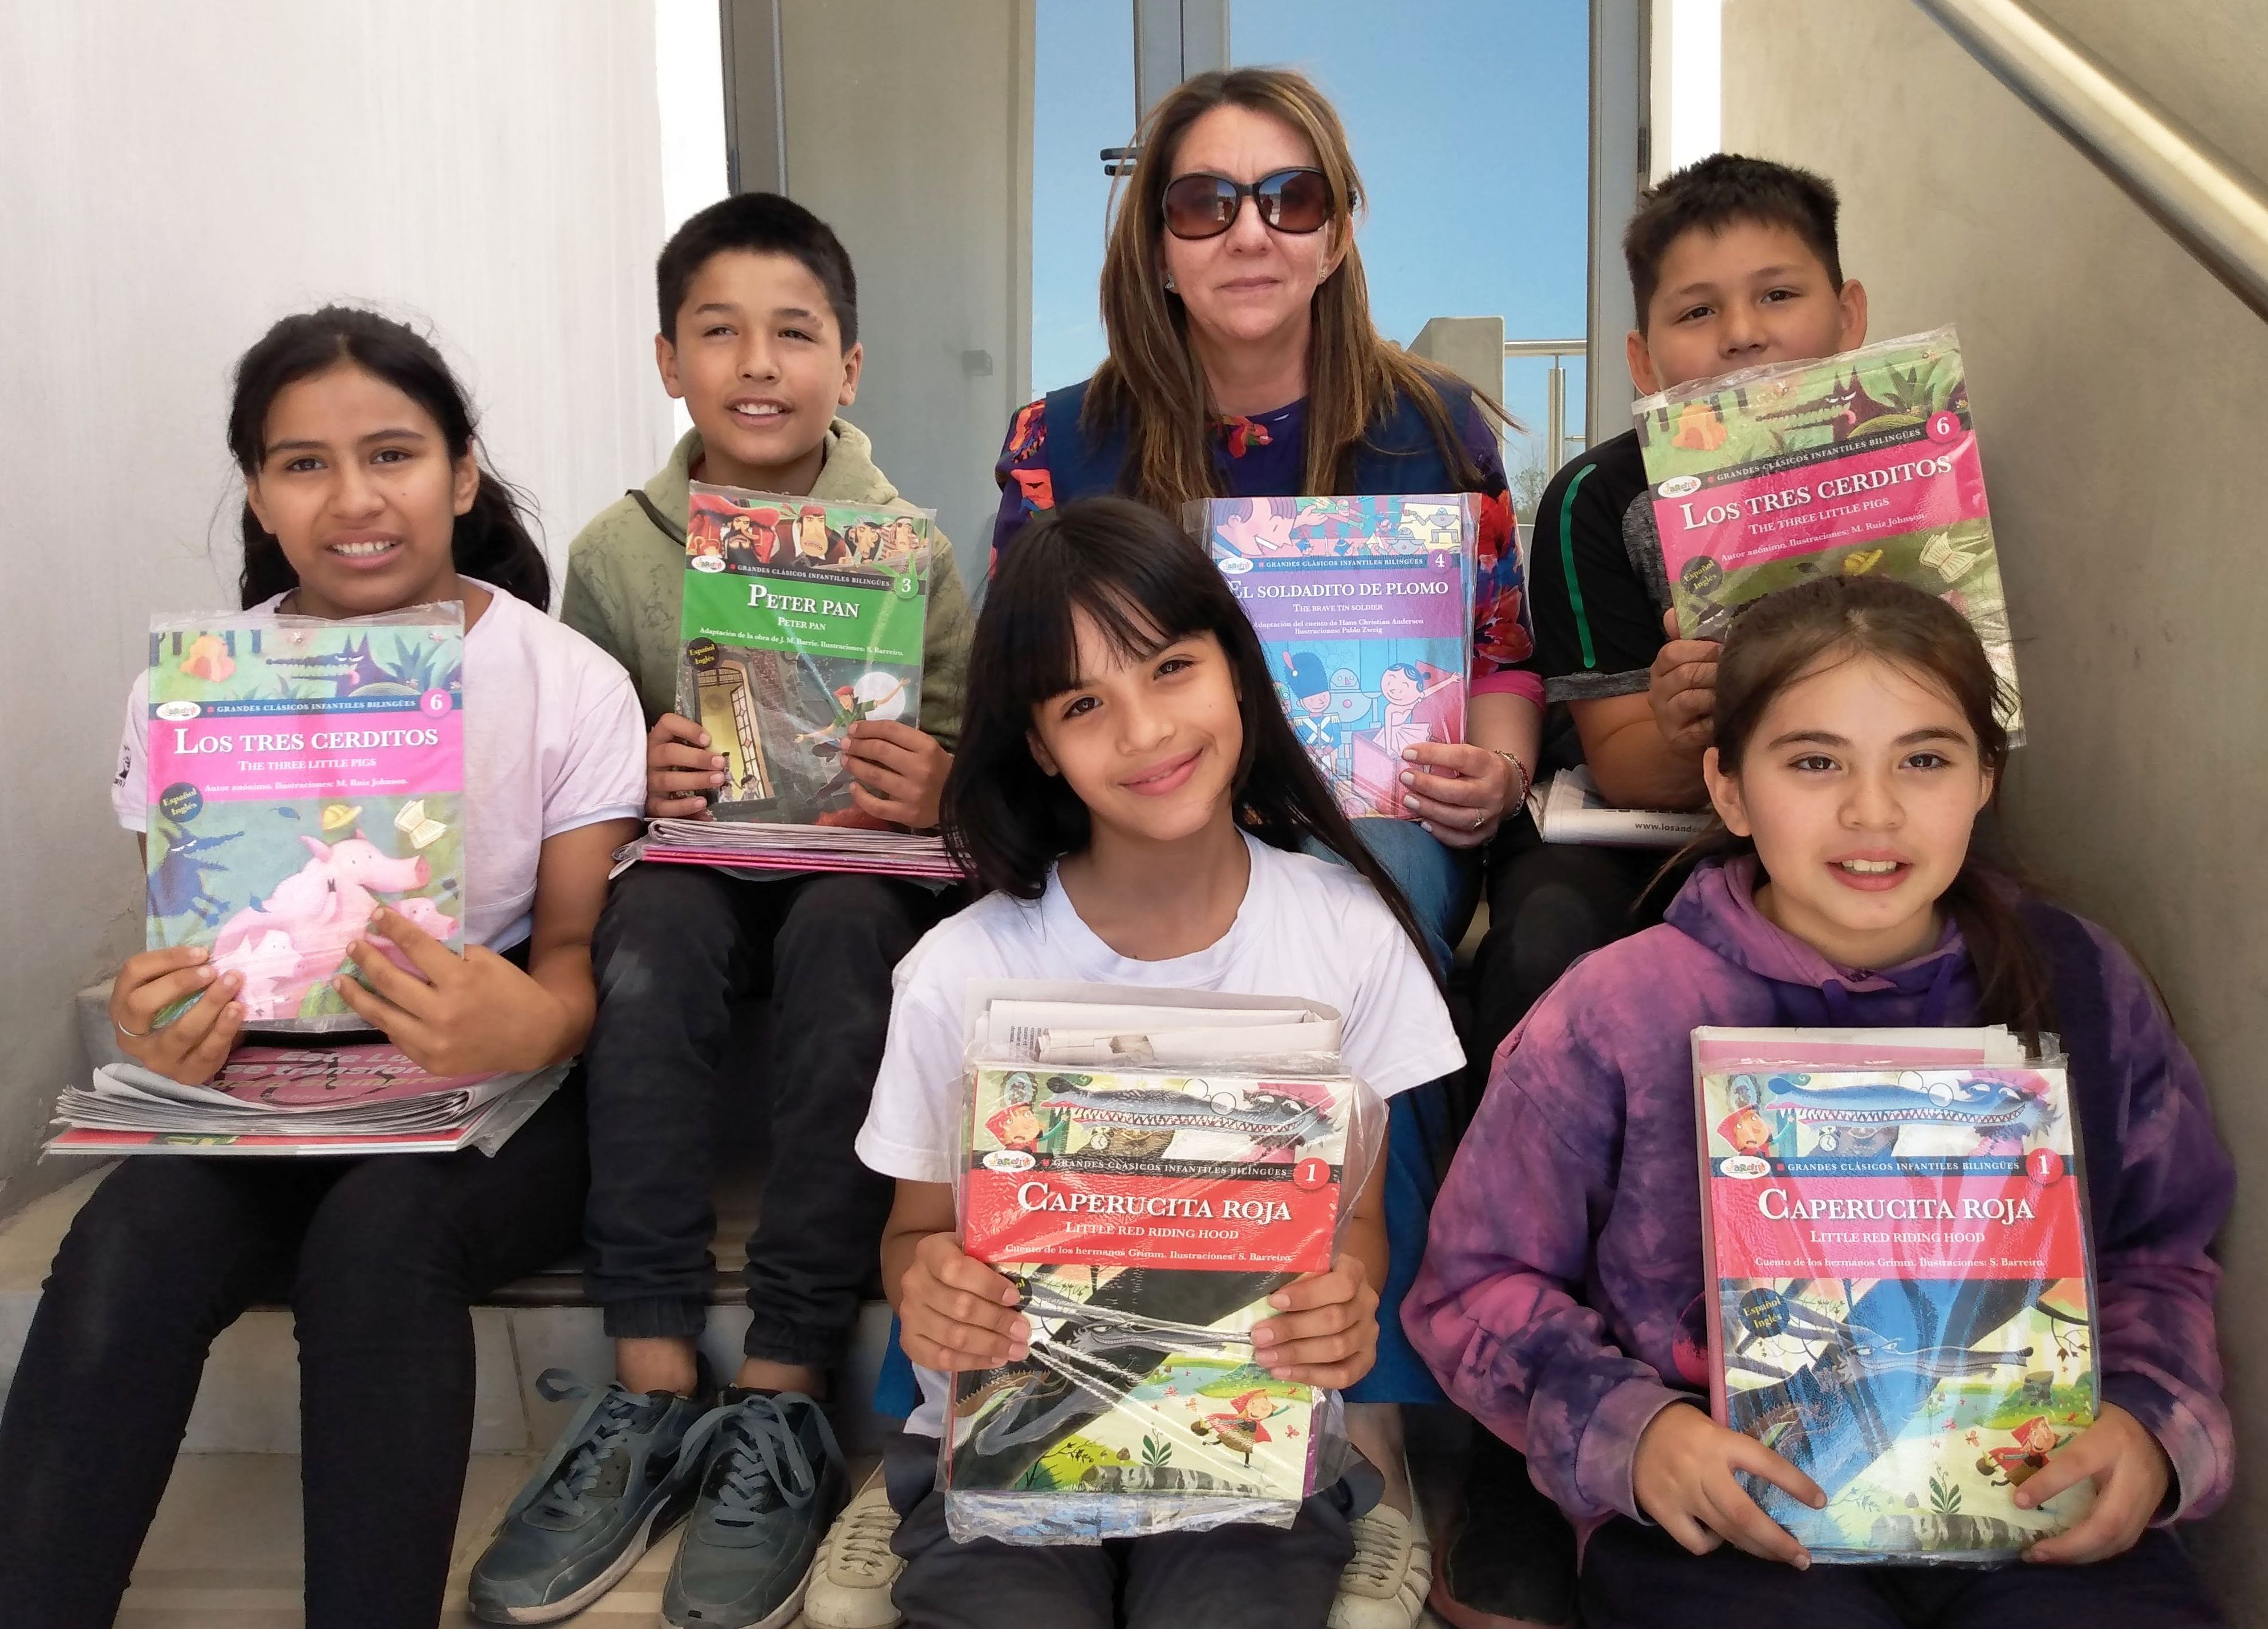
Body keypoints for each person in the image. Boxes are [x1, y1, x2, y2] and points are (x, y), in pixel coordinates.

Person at [1408, 575, 2232, 1628]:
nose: (1871, 811)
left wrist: (2153, 1428)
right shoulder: (1621, 1011)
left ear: (1985, 777)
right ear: (1729, 787)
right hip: (1731, 1521)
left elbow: (2158, 1250)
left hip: (2032, 1503)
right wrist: (1636, 1433)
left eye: (1924, 760)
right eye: (1813, 762)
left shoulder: (2078, 983)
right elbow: (1474, 1284)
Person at [988, 75, 1544, 1623]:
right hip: (1140, 809)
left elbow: (1503, 654)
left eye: (1288, 196)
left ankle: (1357, 1375)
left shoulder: (1434, 426)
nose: (1249, 230)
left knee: (1374, 875)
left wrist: (1490, 780)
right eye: (1204, 200)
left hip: (1369, 822)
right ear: (1153, 241)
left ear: (1338, 228)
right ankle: (1122, 1334)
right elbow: (1027, 674)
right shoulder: (1058, 441)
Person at [0, 307, 646, 1628]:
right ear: (257, 490)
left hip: (493, 1094)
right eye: (302, 463)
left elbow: (578, 967)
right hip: (263, 1085)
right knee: (124, 1236)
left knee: (380, 1243)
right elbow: (182, 943)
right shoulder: (196, 689)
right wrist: (166, 1014)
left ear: (462, 475)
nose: (353, 499)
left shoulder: (566, 680)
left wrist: (528, 1021)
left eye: (394, 454)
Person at [467, 193, 974, 1629]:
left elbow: (971, 760)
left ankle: (787, 1389)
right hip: (686, 875)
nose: (759, 362)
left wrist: (929, 774)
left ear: (851, 368)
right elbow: (587, 756)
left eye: (795, 332)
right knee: (649, 945)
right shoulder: (619, 553)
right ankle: (644, 1380)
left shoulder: (918, 551)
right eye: (720, 331)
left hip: (852, 883)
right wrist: (645, 756)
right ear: (667, 359)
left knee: (846, 939)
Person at [859, 497, 1466, 1629]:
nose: (1144, 731)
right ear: (1038, 744)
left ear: (1237, 667)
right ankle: (896, 1498)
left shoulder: (1346, 935)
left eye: (1171, 667)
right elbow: (913, 1233)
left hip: (1251, 1457)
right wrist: (925, 1290)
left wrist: (1349, 1300)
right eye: (1086, 702)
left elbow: (1358, 1226)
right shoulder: (959, 970)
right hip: (1009, 1449)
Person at [1445, 158, 1871, 1624]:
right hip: (1645, 831)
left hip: (1846, 827)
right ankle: (1521, 1440)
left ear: (1847, 313)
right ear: (1642, 358)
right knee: (1542, 938)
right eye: (1696, 313)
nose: (1743, 337)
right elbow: (1623, 755)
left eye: (1778, 296)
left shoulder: (1915, 462)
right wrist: (1697, 712)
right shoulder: (1596, 498)